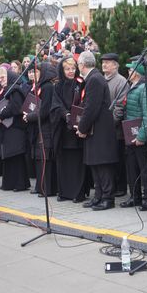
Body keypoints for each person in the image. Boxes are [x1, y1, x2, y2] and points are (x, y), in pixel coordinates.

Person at [76, 51, 119, 211]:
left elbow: (91, 108)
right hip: (96, 130)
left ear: (82, 65)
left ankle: (108, 198)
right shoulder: (94, 78)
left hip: (100, 130)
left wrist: (82, 127)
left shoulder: (94, 79)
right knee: (95, 164)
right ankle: (99, 196)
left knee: (103, 165)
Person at [121, 59, 147, 211]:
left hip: (140, 137)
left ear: (136, 73)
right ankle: (134, 197)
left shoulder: (146, 89)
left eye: (130, 70)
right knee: (132, 168)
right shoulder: (133, 87)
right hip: (131, 135)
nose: (128, 72)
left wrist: (142, 136)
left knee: (144, 169)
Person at [51, 57, 87, 202]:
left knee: (77, 163)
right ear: (62, 70)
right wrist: (65, 114)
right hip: (62, 130)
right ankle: (64, 192)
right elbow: (55, 104)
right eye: (67, 69)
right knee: (63, 162)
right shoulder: (57, 86)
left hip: (77, 129)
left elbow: (84, 102)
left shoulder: (81, 84)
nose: (71, 71)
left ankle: (78, 193)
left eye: (73, 68)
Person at [0, 69, 31, 192]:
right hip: (8, 128)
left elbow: (15, 107)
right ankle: (10, 183)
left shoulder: (15, 90)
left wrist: (1, 116)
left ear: (10, 78)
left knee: (16, 156)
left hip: (15, 128)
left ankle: (19, 184)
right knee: (9, 156)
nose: (0, 80)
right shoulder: (8, 90)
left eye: (3, 77)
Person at [25, 61, 58, 197]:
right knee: (39, 158)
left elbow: (44, 111)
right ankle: (40, 186)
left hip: (45, 127)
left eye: (37, 72)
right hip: (38, 127)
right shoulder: (39, 86)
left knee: (45, 158)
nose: (35, 74)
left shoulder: (48, 87)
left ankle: (47, 188)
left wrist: (30, 116)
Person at [101, 52, 129, 197]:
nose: (104, 64)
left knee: (118, 160)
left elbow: (119, 108)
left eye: (108, 62)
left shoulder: (121, 81)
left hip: (115, 130)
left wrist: (108, 125)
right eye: (103, 62)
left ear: (116, 65)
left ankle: (121, 187)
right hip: (102, 130)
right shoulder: (101, 80)